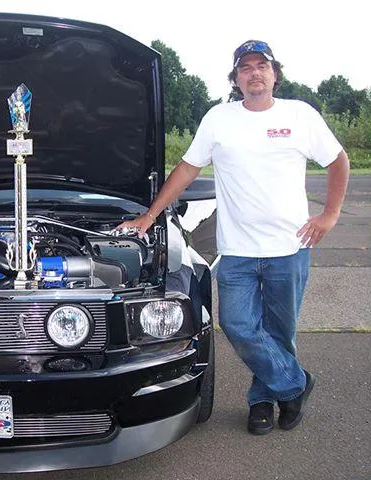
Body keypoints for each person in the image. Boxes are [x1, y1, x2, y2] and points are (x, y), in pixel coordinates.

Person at [118, 40, 349, 435]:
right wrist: (151, 214)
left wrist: (330, 215)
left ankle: (262, 402)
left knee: (279, 333)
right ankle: (295, 384)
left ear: (275, 74)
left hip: (290, 247)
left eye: (262, 66)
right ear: (236, 78)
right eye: (246, 68)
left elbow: (338, 161)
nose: (254, 73)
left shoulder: (300, 115)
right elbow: (187, 168)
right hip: (237, 251)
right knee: (238, 324)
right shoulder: (219, 118)